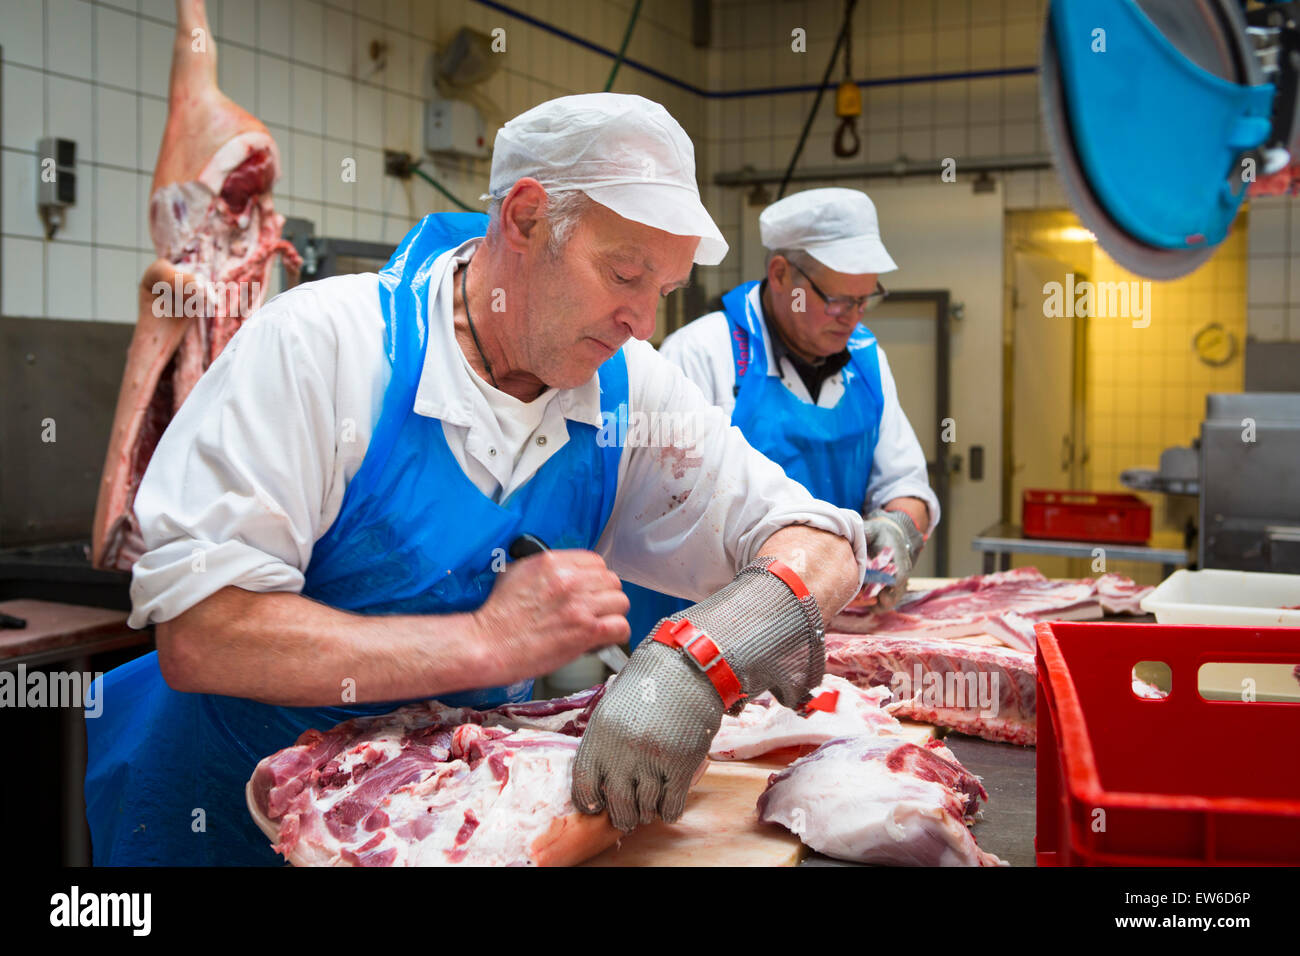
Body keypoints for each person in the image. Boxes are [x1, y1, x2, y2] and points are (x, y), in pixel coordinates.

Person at [83, 94, 870, 865]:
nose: (643, 321)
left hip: (433, 827)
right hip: (225, 818)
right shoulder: (323, 346)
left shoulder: (631, 390)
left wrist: (699, 661)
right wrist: (484, 642)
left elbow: (822, 543)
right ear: (525, 218)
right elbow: (202, 633)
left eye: (661, 292)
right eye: (623, 274)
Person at [627, 188, 939, 641]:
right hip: (703, 635)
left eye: (864, 299)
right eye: (837, 300)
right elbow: (662, 509)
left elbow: (905, 482)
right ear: (780, 274)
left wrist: (900, 525)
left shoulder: (868, 360)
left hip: (821, 627)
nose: (852, 317)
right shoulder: (701, 354)